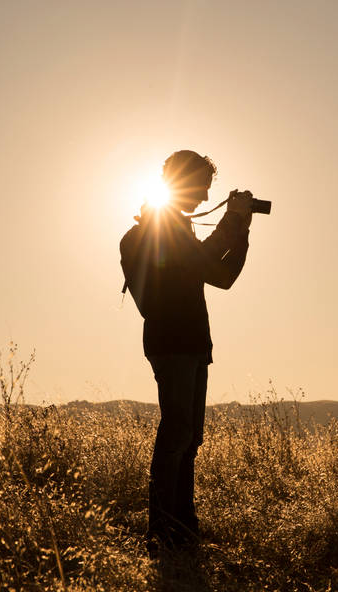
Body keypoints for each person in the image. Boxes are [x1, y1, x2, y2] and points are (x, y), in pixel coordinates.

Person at [120, 150, 253, 557]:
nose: (202, 197)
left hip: (191, 343)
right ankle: (163, 531)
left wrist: (237, 226)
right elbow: (212, 267)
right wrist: (236, 222)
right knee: (176, 434)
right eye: (202, 188)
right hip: (174, 342)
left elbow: (215, 272)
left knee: (188, 438)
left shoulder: (173, 228)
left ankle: (181, 529)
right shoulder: (161, 229)